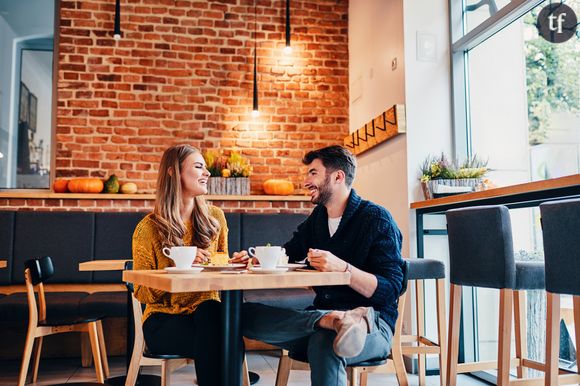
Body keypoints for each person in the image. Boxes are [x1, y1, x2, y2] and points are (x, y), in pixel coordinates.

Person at [234, 145, 405, 386]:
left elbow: (390, 290)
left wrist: (343, 268)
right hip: (320, 316)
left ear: (338, 176)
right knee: (240, 316)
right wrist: (254, 259)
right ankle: (331, 319)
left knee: (326, 341)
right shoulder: (317, 219)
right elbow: (288, 253)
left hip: (373, 324)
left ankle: (337, 323)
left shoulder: (377, 219)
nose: (305, 181)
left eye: (313, 173)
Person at [132, 144, 245, 385]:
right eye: (198, 166)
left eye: (205, 167)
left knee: (215, 317)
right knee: (224, 337)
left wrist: (214, 260)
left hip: (206, 312)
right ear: (173, 172)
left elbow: (222, 257)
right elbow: (141, 291)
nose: (207, 173)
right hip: (164, 319)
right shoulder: (148, 228)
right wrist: (176, 267)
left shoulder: (215, 217)